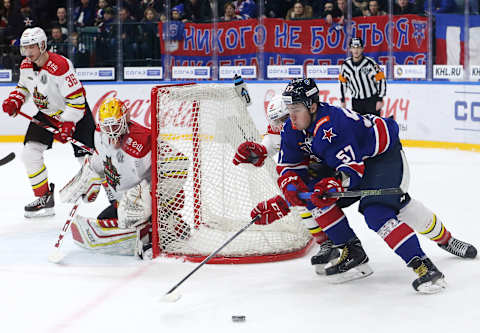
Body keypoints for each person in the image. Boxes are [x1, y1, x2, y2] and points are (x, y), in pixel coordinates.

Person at [252, 78, 477, 293]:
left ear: (311, 106)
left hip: (382, 156)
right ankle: (352, 252)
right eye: (289, 108)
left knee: (378, 212)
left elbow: (352, 171)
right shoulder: (292, 127)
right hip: (354, 161)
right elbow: (291, 170)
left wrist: (335, 183)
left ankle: (428, 266)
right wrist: (289, 196)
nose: (291, 115)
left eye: (296, 108)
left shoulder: (332, 125)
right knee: (313, 197)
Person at [59, 97, 190, 259]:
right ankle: (150, 225)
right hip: (124, 198)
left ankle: (172, 225)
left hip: (146, 195)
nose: (111, 131)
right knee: (107, 219)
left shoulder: (142, 140)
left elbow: (180, 163)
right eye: (107, 126)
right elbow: (102, 159)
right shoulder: (99, 134)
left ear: (125, 119)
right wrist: (88, 176)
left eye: (114, 125)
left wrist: (155, 195)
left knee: (129, 216)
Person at [233, 95, 342, 274]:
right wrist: (259, 151)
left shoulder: (314, 125)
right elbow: (272, 142)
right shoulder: (285, 129)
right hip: (311, 171)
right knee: (303, 203)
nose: (281, 124)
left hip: (333, 167)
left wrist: (283, 203)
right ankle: (327, 243)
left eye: (284, 119)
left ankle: (347, 245)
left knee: (313, 200)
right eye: (276, 121)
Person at [2, 27, 96, 218]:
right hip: (47, 114)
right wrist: (16, 100)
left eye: (32, 47)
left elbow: (77, 101)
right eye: (25, 48)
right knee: (30, 153)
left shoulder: (60, 65)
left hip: (75, 114)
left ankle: (117, 201)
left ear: (43, 45)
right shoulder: (26, 66)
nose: (28, 52)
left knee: (87, 161)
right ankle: (44, 198)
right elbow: (23, 87)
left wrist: (68, 123)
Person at [339, 37, 386, 116]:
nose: (356, 50)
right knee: (359, 126)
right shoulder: (345, 65)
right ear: (350, 49)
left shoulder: (370, 63)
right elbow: (343, 83)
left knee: (373, 125)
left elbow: (381, 79)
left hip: (371, 100)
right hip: (356, 102)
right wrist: (343, 100)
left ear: (362, 49)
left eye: (358, 47)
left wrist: (380, 99)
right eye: (353, 47)